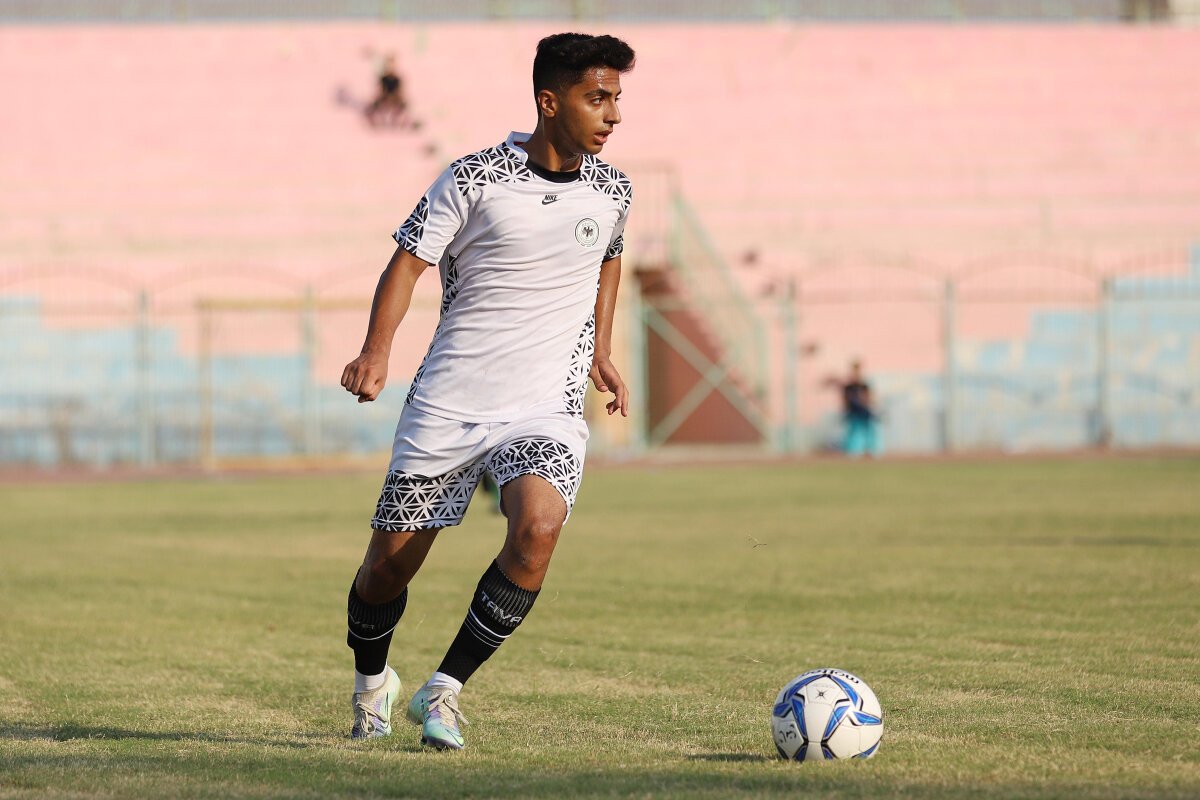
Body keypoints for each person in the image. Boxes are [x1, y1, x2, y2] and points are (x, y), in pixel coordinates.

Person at [338, 32, 635, 749]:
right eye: (597, 98)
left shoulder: (614, 190)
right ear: (549, 101)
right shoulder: (473, 178)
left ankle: (444, 690)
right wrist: (376, 350)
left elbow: (609, 259)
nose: (613, 114)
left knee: (536, 531)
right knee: (384, 574)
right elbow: (406, 264)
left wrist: (600, 348)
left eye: (617, 98)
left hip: (545, 407)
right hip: (451, 402)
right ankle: (373, 684)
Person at [364, 53, 416, 129]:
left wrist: (397, 98)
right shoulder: (383, 78)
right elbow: (380, 91)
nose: (390, 67)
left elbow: (400, 91)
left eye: (392, 64)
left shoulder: (397, 79)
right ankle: (375, 123)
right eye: (388, 65)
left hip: (395, 98)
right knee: (372, 107)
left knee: (404, 106)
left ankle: (402, 123)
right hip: (385, 97)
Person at [839, 360, 880, 457]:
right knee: (852, 431)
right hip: (853, 412)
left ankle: (869, 451)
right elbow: (845, 400)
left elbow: (869, 398)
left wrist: (869, 403)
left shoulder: (864, 386)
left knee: (868, 431)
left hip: (864, 412)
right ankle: (850, 452)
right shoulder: (849, 387)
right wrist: (845, 409)